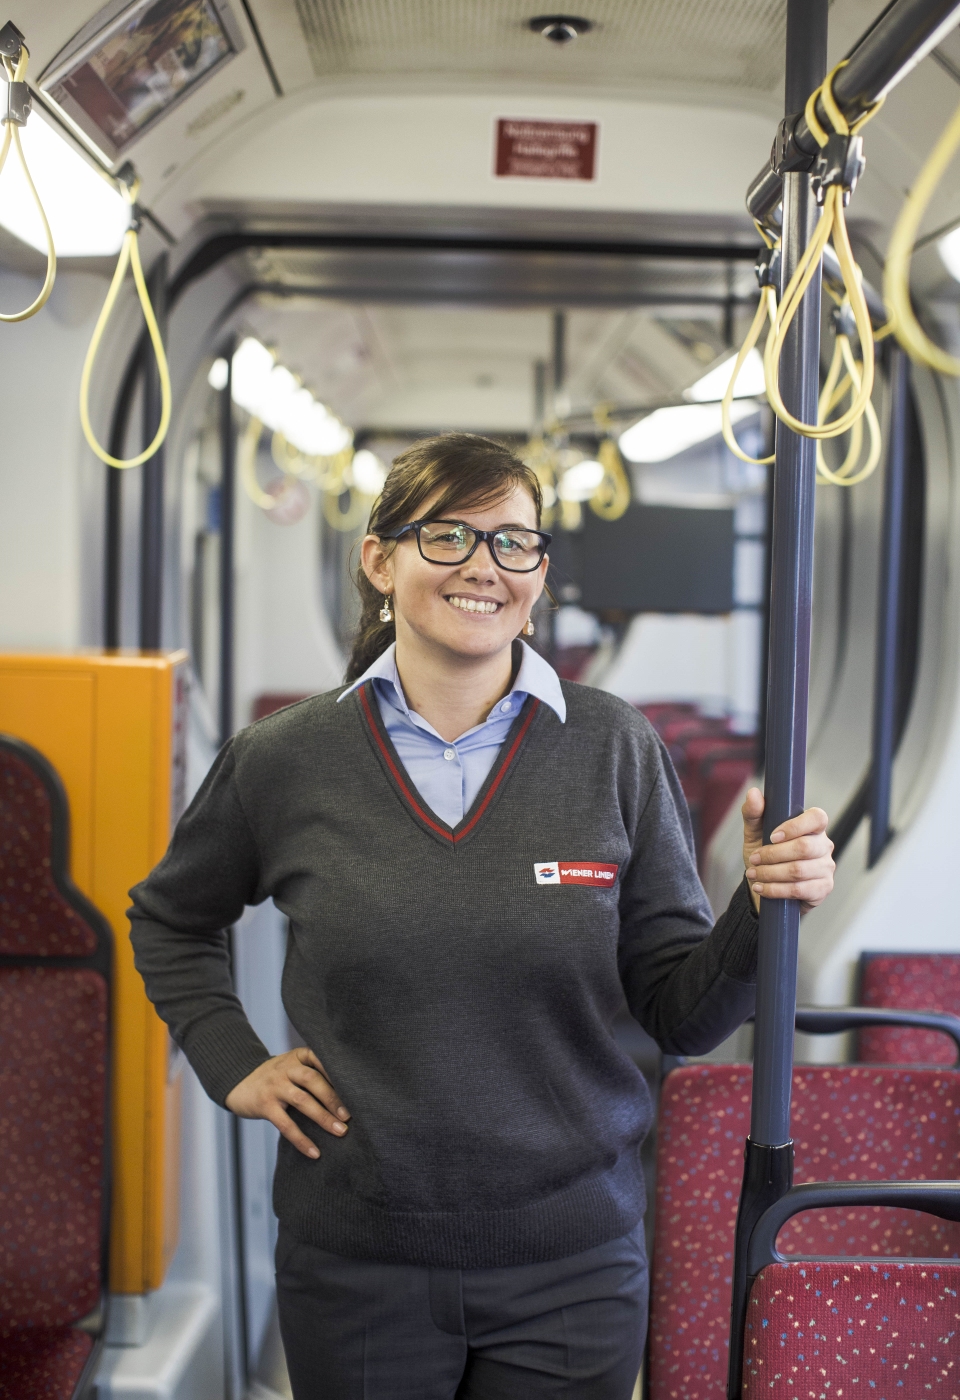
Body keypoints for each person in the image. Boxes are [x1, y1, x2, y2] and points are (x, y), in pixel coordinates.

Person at [128, 432, 835, 1400]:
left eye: (514, 543)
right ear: (379, 560)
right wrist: (232, 1060)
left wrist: (761, 906)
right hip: (357, 1261)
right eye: (448, 536)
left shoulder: (612, 750)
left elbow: (685, 1016)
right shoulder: (286, 758)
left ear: (541, 574)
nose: (484, 568)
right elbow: (169, 917)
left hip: (574, 1262)